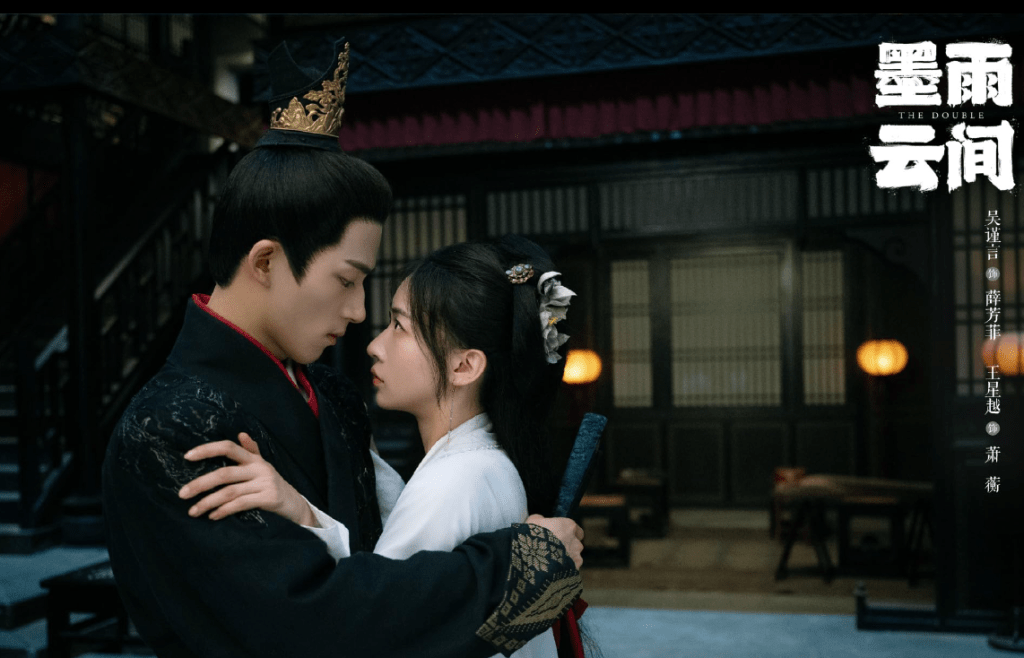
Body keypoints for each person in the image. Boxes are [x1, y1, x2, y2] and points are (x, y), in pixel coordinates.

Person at [101, 37, 584, 658]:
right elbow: (314, 625)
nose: (358, 314)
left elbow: (383, 559)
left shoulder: (330, 393)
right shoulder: (169, 429)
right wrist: (515, 566)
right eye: (347, 280)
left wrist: (302, 511)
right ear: (266, 262)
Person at [182, 236, 587, 658]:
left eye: (399, 327)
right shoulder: (482, 465)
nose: (374, 346)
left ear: (464, 365)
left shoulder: (454, 481)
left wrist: (298, 511)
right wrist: (302, 504)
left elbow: (375, 622)